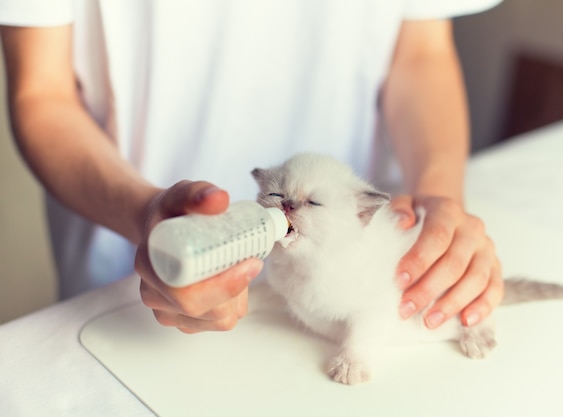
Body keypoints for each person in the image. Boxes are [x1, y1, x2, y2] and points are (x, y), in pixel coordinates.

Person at [0, 0, 503, 334]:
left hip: (345, 278)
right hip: (131, 279)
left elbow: (419, 54)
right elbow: (42, 94)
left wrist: (440, 202)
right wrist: (144, 214)